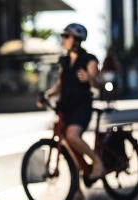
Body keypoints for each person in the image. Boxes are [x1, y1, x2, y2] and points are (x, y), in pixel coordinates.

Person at [44, 23, 104, 183]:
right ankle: (76, 192)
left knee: (72, 135)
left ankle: (97, 162)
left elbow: (98, 82)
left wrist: (89, 78)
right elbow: (58, 86)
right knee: (69, 149)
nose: (63, 39)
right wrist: (46, 95)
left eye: (66, 36)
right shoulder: (64, 61)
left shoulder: (88, 59)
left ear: (76, 40)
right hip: (66, 106)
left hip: (82, 106)